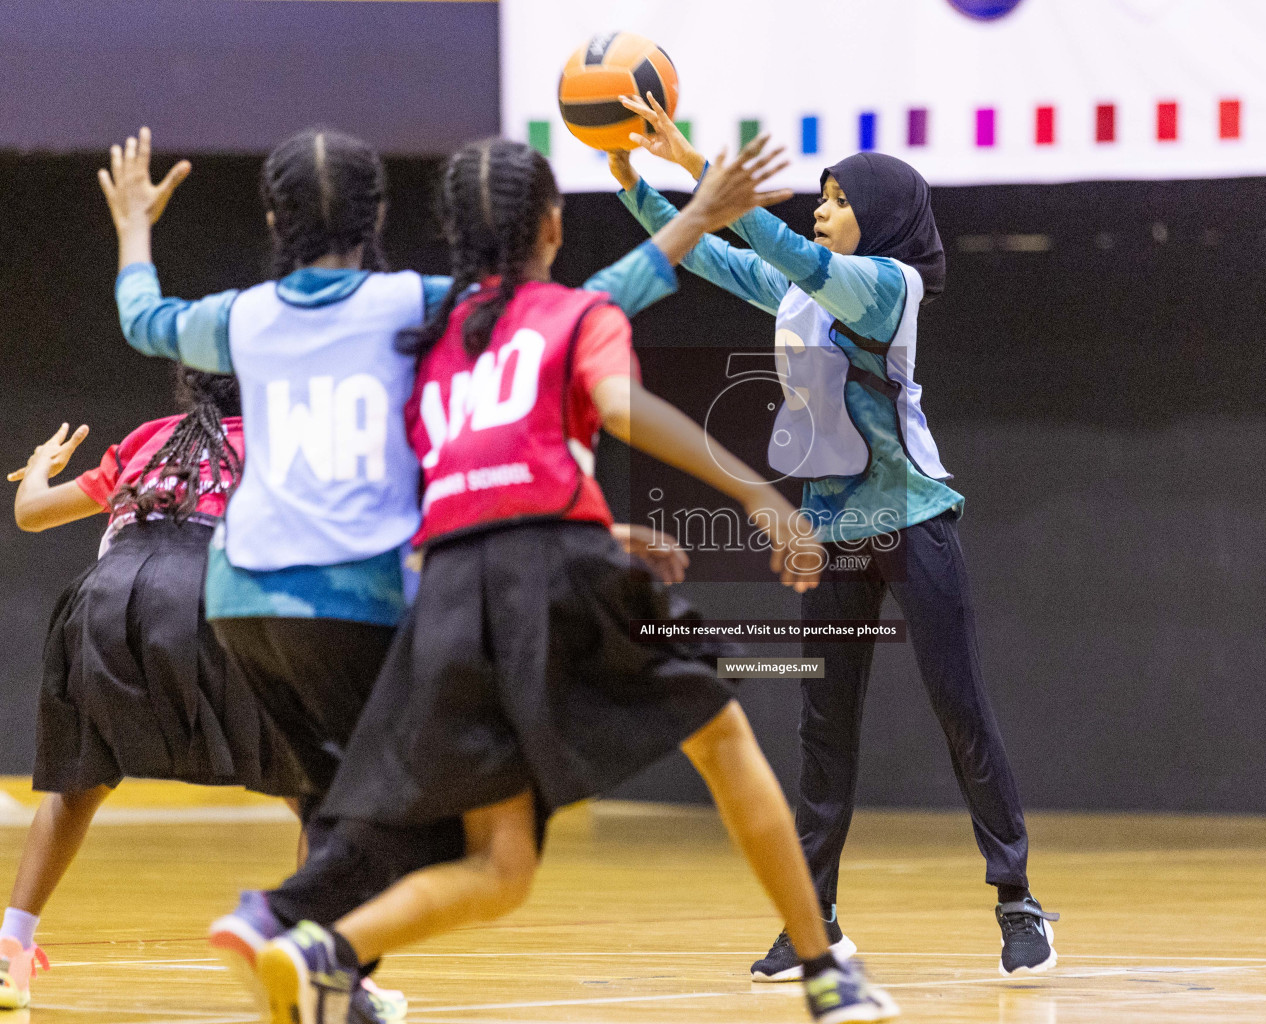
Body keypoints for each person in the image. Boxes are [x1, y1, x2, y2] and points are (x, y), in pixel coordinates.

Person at [239, 135, 898, 1024]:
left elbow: (477, 468)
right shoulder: (574, 313)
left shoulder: (428, 342)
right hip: (552, 569)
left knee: (501, 865)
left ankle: (326, 947)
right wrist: (756, 494)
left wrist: (595, 520)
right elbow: (619, 406)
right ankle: (825, 974)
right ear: (553, 225)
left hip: (451, 594)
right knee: (724, 736)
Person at [609, 94, 1057, 977]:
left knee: (960, 711)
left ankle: (1019, 903)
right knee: (824, 728)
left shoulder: (891, 287)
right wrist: (633, 182)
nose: (822, 208)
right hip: (829, 527)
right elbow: (706, 253)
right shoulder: (801, 291)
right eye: (819, 195)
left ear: (881, 216)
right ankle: (814, 918)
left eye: (838, 198)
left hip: (913, 518)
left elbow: (786, 249)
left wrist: (702, 166)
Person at [0, 370, 305, 1010]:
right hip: (208, 595)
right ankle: (318, 958)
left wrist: (37, 466)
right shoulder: (282, 442)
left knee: (76, 787)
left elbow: (31, 513)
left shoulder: (149, 438)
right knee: (318, 789)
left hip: (104, 601)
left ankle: (10, 952)